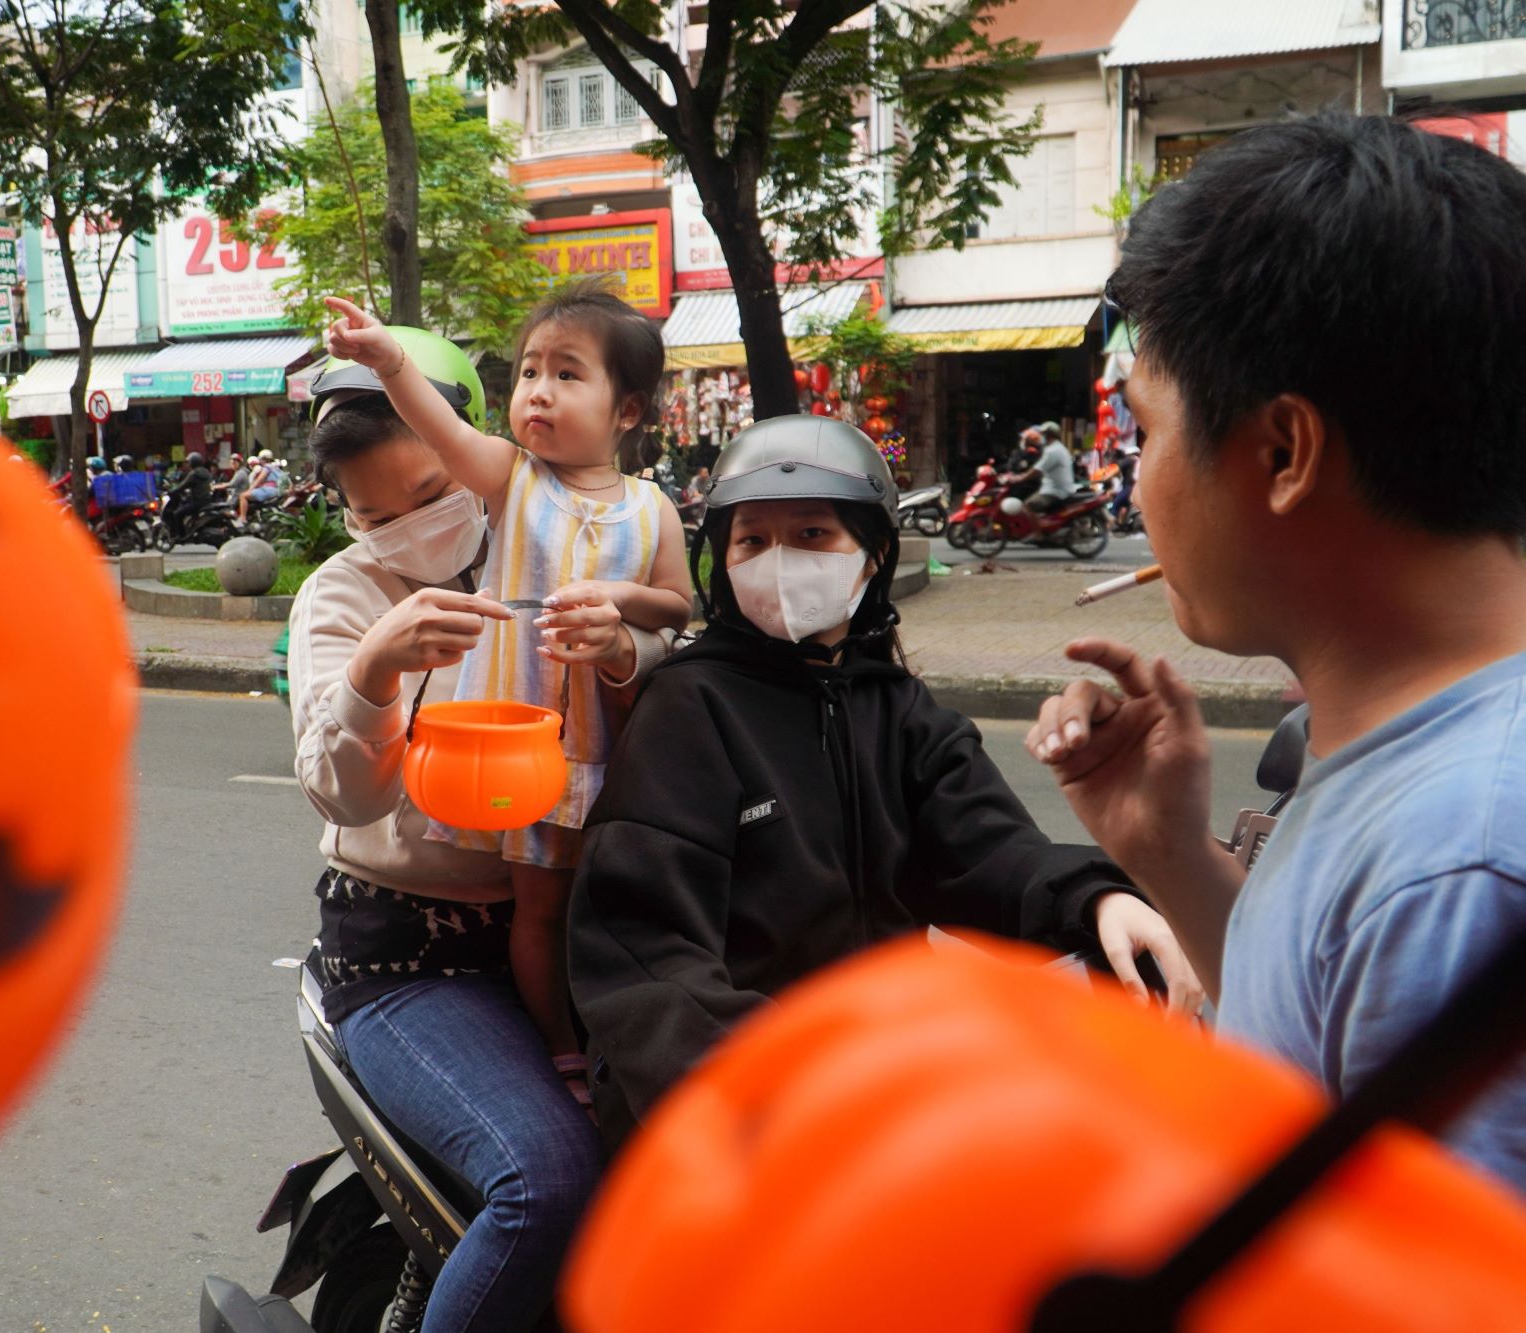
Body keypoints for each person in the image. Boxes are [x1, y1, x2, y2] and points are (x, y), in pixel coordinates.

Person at [1024, 114, 1526, 1193]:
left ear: (1282, 451)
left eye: (1144, 429)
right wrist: (1164, 852)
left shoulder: (1458, 862)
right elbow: (1302, 1066)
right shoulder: (1411, 766)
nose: (1138, 479)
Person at [569, 416, 1201, 1151]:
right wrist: (773, 1082)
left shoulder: (894, 704)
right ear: (722, 560)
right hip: (738, 1103)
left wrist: (1098, 899)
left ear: (871, 558)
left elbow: (992, 850)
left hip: (883, 1072)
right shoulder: (691, 706)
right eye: (752, 540)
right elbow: (652, 947)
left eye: (812, 535)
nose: (779, 561)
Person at [288, 333, 675, 1330]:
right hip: (414, 962)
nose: (409, 529)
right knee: (545, 1181)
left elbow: (666, 704)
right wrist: (376, 668)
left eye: (427, 494)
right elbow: (344, 796)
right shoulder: (341, 594)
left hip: (587, 934)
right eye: (374, 513)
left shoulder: (559, 541)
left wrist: (627, 651)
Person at [324, 284, 695, 1087]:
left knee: (602, 910)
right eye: (529, 371)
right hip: (517, 752)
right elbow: (444, 430)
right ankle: (561, 1046)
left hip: (604, 755)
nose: (538, 390)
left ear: (626, 411)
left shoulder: (654, 509)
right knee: (540, 910)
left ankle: (610, 1038)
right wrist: (390, 360)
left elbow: (678, 604)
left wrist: (622, 607)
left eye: (567, 374)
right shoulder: (513, 477)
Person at [1025, 422, 1077, 514]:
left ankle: (1035, 528)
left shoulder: (1053, 451)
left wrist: (1018, 478)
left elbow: (1037, 470)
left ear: (1048, 435)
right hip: (1056, 488)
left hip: (1054, 491)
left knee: (1028, 506)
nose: (1041, 437)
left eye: (1043, 434)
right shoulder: (1057, 448)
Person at [236, 448, 283, 522]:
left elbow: (259, 480)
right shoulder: (276, 468)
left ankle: (242, 518)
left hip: (268, 490)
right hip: (276, 490)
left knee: (243, 496)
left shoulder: (267, 467)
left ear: (264, 459)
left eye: (261, 459)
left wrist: (250, 489)